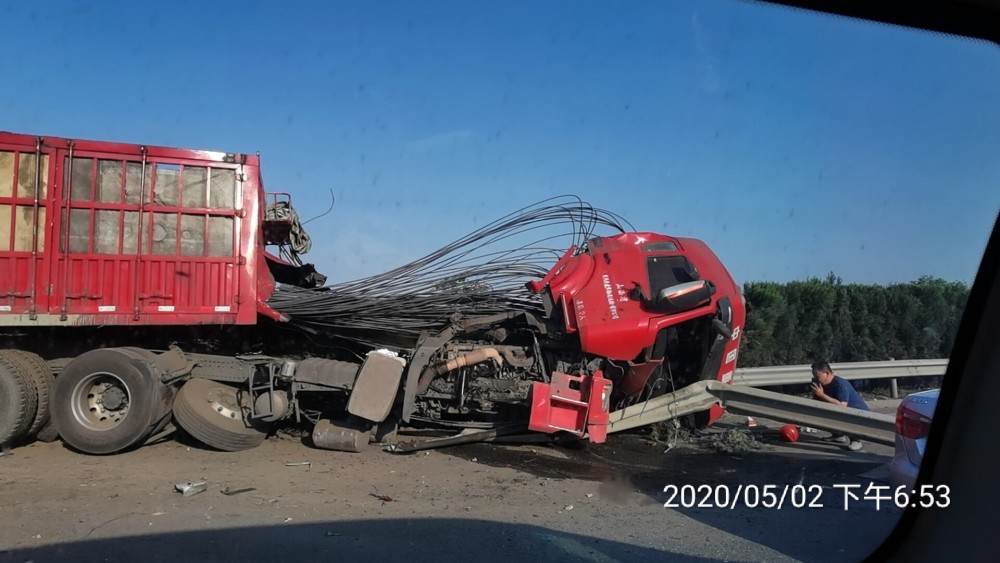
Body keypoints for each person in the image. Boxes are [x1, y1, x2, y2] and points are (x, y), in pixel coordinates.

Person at [810, 360, 869, 451]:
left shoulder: (840, 384)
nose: (817, 379)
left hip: (858, 413)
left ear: (826, 373)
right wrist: (816, 395)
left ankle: (856, 439)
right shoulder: (822, 385)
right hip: (841, 412)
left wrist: (821, 395)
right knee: (822, 412)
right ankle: (838, 435)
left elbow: (842, 406)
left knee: (843, 414)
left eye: (818, 377)